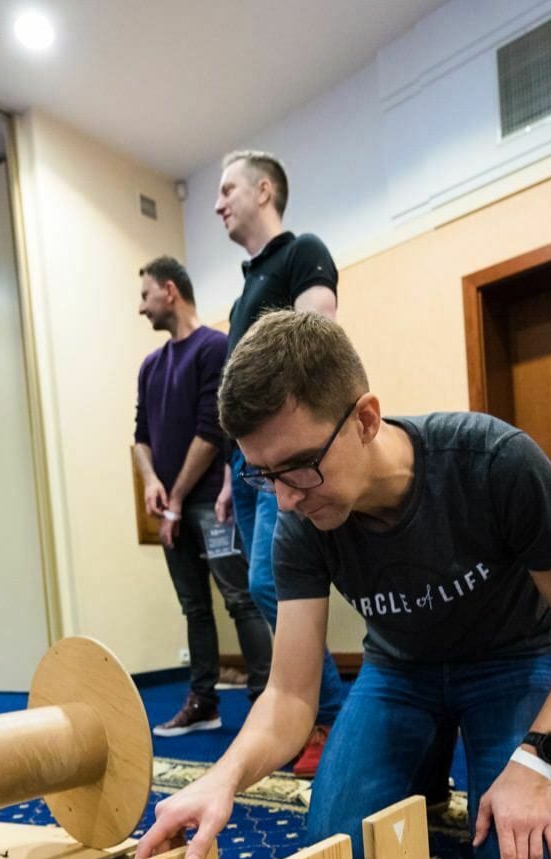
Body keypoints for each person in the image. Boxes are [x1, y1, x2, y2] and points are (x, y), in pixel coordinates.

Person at [135, 311, 551, 859]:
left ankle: (503, 749)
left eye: (298, 468)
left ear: (365, 418)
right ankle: (432, 758)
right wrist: (222, 778)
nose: (286, 500)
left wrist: (538, 757)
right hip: (401, 675)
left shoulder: (496, 463)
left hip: (511, 663)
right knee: (338, 855)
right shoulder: (300, 518)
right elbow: (290, 695)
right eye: (264, 475)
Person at [212, 149, 349, 776]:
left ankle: (331, 715)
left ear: (264, 190)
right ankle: (303, 711)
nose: (218, 204)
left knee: (273, 583)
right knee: (261, 583)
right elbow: (240, 403)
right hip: (247, 466)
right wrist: (226, 477)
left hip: (288, 454)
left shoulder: (302, 252)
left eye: (227, 190)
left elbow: (317, 329)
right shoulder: (246, 291)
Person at [132, 256, 273, 734]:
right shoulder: (150, 366)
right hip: (171, 506)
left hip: (213, 500)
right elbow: (140, 435)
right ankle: (204, 703)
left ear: (169, 291)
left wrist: (174, 500)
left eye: (145, 294)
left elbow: (211, 431)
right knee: (194, 607)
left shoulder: (215, 348)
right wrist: (152, 482)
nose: (141, 307)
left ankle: (264, 706)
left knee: (240, 598)